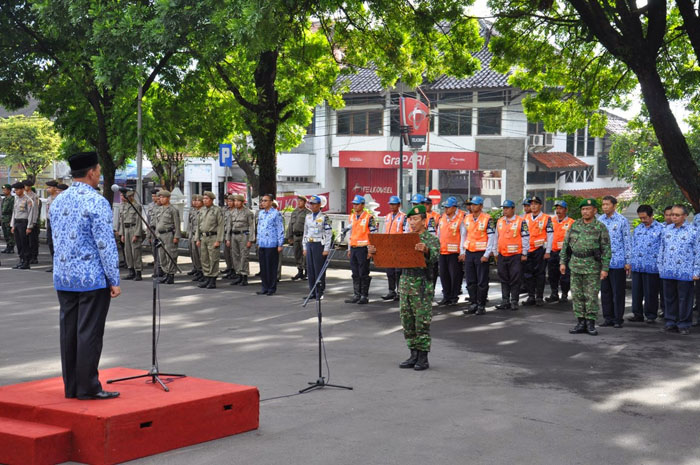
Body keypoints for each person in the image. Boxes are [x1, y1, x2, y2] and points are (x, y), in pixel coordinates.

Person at [50, 151, 121, 400]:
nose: (99, 175)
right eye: (99, 171)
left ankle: (71, 387)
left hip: (64, 276)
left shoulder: (58, 200)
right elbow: (105, 244)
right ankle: (88, 387)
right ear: (91, 172)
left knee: (69, 332)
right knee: (89, 332)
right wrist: (114, 279)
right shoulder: (96, 201)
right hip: (92, 278)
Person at [371, 204, 439, 371]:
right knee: (407, 322)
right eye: (410, 219)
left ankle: (423, 357)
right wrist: (375, 252)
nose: (412, 222)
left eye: (415, 219)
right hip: (405, 286)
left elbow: (435, 257)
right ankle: (413, 354)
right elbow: (391, 258)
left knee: (421, 322)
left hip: (422, 288)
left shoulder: (431, 239)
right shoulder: (406, 238)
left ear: (424, 220)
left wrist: (426, 250)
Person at [560, 199, 611, 336]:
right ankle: (580, 321)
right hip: (576, 265)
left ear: (594, 210)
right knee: (577, 295)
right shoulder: (575, 225)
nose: (585, 212)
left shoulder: (600, 227)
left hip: (592, 267)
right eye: (583, 209)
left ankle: (590, 323)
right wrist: (563, 262)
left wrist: (605, 268)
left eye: (588, 209)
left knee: (591, 296)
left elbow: (606, 249)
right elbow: (566, 245)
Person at [658, 205, 700, 335]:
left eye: (677, 215)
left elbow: (698, 252)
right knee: (669, 298)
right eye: (672, 215)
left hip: (685, 272)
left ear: (685, 216)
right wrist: (661, 266)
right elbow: (662, 249)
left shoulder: (694, 231)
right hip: (668, 270)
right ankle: (670, 322)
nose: (673, 217)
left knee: (685, 299)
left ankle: (684, 324)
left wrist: (696, 271)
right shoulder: (666, 230)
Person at [598, 195, 632, 328]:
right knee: (605, 291)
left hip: (618, 261)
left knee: (618, 292)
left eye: (607, 204)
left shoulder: (622, 220)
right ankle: (608, 318)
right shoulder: (600, 220)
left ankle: (618, 319)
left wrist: (628, 261)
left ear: (614, 205)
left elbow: (627, 241)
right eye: (603, 204)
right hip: (603, 263)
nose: (605, 207)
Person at [627, 205, 663, 323]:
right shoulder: (638, 229)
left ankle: (651, 315)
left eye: (645, 218)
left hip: (652, 267)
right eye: (641, 218)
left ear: (652, 215)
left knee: (651, 293)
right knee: (636, 293)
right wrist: (630, 262)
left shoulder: (661, 229)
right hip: (637, 266)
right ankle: (637, 314)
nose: (643, 220)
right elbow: (633, 246)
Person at [494, 200, 529, 311]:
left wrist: (524, 253)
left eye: (507, 208)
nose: (505, 210)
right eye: (504, 208)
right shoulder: (500, 221)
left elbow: (525, 237)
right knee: (503, 278)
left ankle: (514, 301)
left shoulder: (521, 221)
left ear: (513, 209)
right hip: (502, 254)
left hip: (515, 255)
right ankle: (505, 301)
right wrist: (495, 252)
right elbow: (496, 237)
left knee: (515, 278)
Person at [462, 196, 495, 315]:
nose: (473, 206)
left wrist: (487, 254)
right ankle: (473, 303)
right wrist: (463, 251)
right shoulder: (467, 218)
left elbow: (491, 237)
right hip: (470, 252)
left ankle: (481, 304)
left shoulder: (487, 219)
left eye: (475, 205)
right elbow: (463, 235)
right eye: (471, 204)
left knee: (482, 280)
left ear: (481, 206)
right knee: (470, 280)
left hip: (481, 253)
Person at [344, 195, 377, 304]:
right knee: (355, 272)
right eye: (354, 204)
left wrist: (370, 250)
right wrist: (349, 248)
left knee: (363, 272)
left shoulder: (369, 217)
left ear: (363, 205)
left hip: (363, 248)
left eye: (357, 204)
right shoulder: (352, 217)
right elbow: (350, 233)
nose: (355, 206)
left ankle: (364, 296)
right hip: (354, 248)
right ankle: (356, 294)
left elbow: (373, 234)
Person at [522, 196, 553, 306]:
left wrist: (548, 251)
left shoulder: (546, 218)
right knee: (528, 274)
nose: (533, 206)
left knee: (540, 274)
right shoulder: (525, 218)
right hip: (528, 250)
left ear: (540, 205)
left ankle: (539, 296)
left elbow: (550, 235)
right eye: (531, 204)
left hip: (540, 250)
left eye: (536, 204)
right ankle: (531, 296)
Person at [437, 196, 466, 306]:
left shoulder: (460, 218)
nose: (446, 209)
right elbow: (438, 234)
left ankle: (454, 296)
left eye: (448, 208)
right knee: (444, 275)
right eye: (445, 207)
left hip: (454, 252)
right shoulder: (442, 218)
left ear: (454, 208)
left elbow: (463, 235)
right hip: (443, 251)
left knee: (455, 275)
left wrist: (462, 252)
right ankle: (446, 296)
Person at [303, 195, 333, 299]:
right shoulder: (308, 217)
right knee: (310, 269)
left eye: (314, 203)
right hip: (310, 244)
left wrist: (326, 249)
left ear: (319, 205)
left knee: (318, 269)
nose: (311, 206)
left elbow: (329, 234)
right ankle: (312, 291)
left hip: (319, 244)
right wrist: (304, 247)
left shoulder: (325, 217)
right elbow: (305, 232)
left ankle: (319, 292)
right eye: (310, 204)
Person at [546, 200, 575, 303]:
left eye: (560, 208)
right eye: (557, 208)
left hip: (565, 253)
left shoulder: (571, 222)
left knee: (565, 275)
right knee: (552, 274)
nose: (558, 211)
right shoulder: (551, 221)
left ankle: (564, 294)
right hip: (553, 252)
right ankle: (554, 293)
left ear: (566, 210)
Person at [256, 194, 285, 295]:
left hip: (272, 243)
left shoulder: (276, 214)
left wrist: (280, 244)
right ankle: (264, 287)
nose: (263, 202)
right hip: (263, 243)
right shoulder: (261, 214)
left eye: (265, 201)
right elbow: (259, 228)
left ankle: (271, 288)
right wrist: (258, 241)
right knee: (263, 267)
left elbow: (280, 228)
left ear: (271, 202)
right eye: (262, 200)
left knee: (271, 267)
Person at [195, 191, 224, 289]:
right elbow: (198, 225)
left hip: (213, 237)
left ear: (211, 200)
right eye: (204, 198)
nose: (204, 200)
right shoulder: (202, 210)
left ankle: (212, 280)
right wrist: (197, 238)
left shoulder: (217, 210)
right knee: (204, 259)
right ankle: (206, 277)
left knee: (213, 259)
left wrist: (218, 240)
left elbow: (220, 225)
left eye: (206, 199)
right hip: (203, 237)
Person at [227, 194, 255, 286]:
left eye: (238, 201)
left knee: (244, 256)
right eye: (235, 201)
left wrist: (250, 240)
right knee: (235, 255)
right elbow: (229, 226)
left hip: (244, 235)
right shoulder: (232, 212)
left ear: (243, 202)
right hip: (234, 235)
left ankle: (244, 276)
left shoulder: (248, 212)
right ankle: (238, 274)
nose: (236, 203)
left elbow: (251, 226)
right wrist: (228, 238)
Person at [381, 195, 405, 301]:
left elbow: (405, 232)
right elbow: (383, 231)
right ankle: (391, 291)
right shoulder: (387, 217)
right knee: (389, 271)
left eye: (394, 204)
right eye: (390, 204)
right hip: (388, 247)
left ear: (399, 205)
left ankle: (400, 292)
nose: (391, 206)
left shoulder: (403, 217)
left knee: (398, 271)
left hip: (398, 247)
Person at [155, 190, 180, 284]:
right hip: (160, 234)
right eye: (160, 197)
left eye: (163, 197)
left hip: (169, 234)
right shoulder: (159, 209)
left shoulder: (173, 209)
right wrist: (156, 234)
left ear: (168, 198)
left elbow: (177, 224)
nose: (161, 199)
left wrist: (177, 236)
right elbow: (158, 223)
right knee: (162, 255)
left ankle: (171, 275)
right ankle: (166, 273)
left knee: (170, 255)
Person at [117, 190, 144, 281]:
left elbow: (139, 221)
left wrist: (136, 234)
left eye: (126, 197)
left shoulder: (136, 206)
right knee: (127, 251)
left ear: (131, 197)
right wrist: (122, 234)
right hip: (126, 229)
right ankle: (131, 271)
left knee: (135, 252)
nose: (123, 198)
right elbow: (122, 221)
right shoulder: (123, 206)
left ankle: (138, 272)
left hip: (133, 229)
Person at [10, 181, 35, 269]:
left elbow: (31, 213)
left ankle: (26, 262)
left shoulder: (28, 199)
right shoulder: (16, 199)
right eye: (15, 190)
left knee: (24, 243)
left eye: (17, 190)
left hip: (24, 222)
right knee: (19, 243)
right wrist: (12, 225)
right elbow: (14, 212)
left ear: (22, 189)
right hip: (17, 222)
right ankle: (21, 260)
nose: (15, 191)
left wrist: (29, 226)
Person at [287, 195, 310, 281]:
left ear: (304, 202)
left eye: (300, 201)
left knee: (305, 255)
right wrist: (289, 236)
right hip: (295, 236)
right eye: (298, 201)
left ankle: (307, 272)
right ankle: (300, 271)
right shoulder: (294, 212)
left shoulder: (308, 212)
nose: (298, 203)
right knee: (297, 254)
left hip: (304, 236)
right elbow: (290, 225)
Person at [659, 206, 673, 318]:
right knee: (663, 291)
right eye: (666, 215)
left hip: (676, 265)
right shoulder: (661, 227)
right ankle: (665, 310)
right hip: (663, 264)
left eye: (671, 215)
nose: (669, 217)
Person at [23, 180, 41, 264]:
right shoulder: (22, 196)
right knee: (25, 241)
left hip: (32, 221)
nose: (25, 187)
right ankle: (27, 256)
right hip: (24, 221)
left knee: (33, 241)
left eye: (26, 186)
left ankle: (34, 257)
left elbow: (35, 211)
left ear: (29, 186)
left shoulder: (34, 196)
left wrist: (33, 222)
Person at [187, 194, 204, 282]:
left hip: (201, 236)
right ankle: (198, 270)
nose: (195, 202)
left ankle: (203, 272)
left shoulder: (203, 211)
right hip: (193, 234)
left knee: (201, 255)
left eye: (198, 200)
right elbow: (190, 224)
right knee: (195, 254)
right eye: (194, 200)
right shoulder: (192, 210)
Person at [44, 180, 59, 272]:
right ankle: (54, 264)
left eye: (49, 187)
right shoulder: (49, 198)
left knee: (56, 244)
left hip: (56, 223)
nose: (48, 189)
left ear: (55, 188)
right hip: (50, 222)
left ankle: (58, 265)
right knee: (50, 243)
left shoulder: (59, 198)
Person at [221, 195, 236, 279]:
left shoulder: (236, 211)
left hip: (233, 234)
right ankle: (229, 268)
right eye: (228, 201)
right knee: (226, 253)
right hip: (225, 233)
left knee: (233, 253)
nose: (229, 203)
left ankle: (234, 270)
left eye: (231, 201)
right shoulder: (225, 210)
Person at [1, 183, 16, 254]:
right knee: (5, 233)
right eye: (3, 190)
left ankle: (11, 247)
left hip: (9, 218)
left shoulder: (12, 199)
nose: (4, 191)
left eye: (5, 190)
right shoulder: (4, 199)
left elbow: (13, 210)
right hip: (4, 218)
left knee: (10, 234)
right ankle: (7, 246)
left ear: (9, 191)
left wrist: (12, 221)